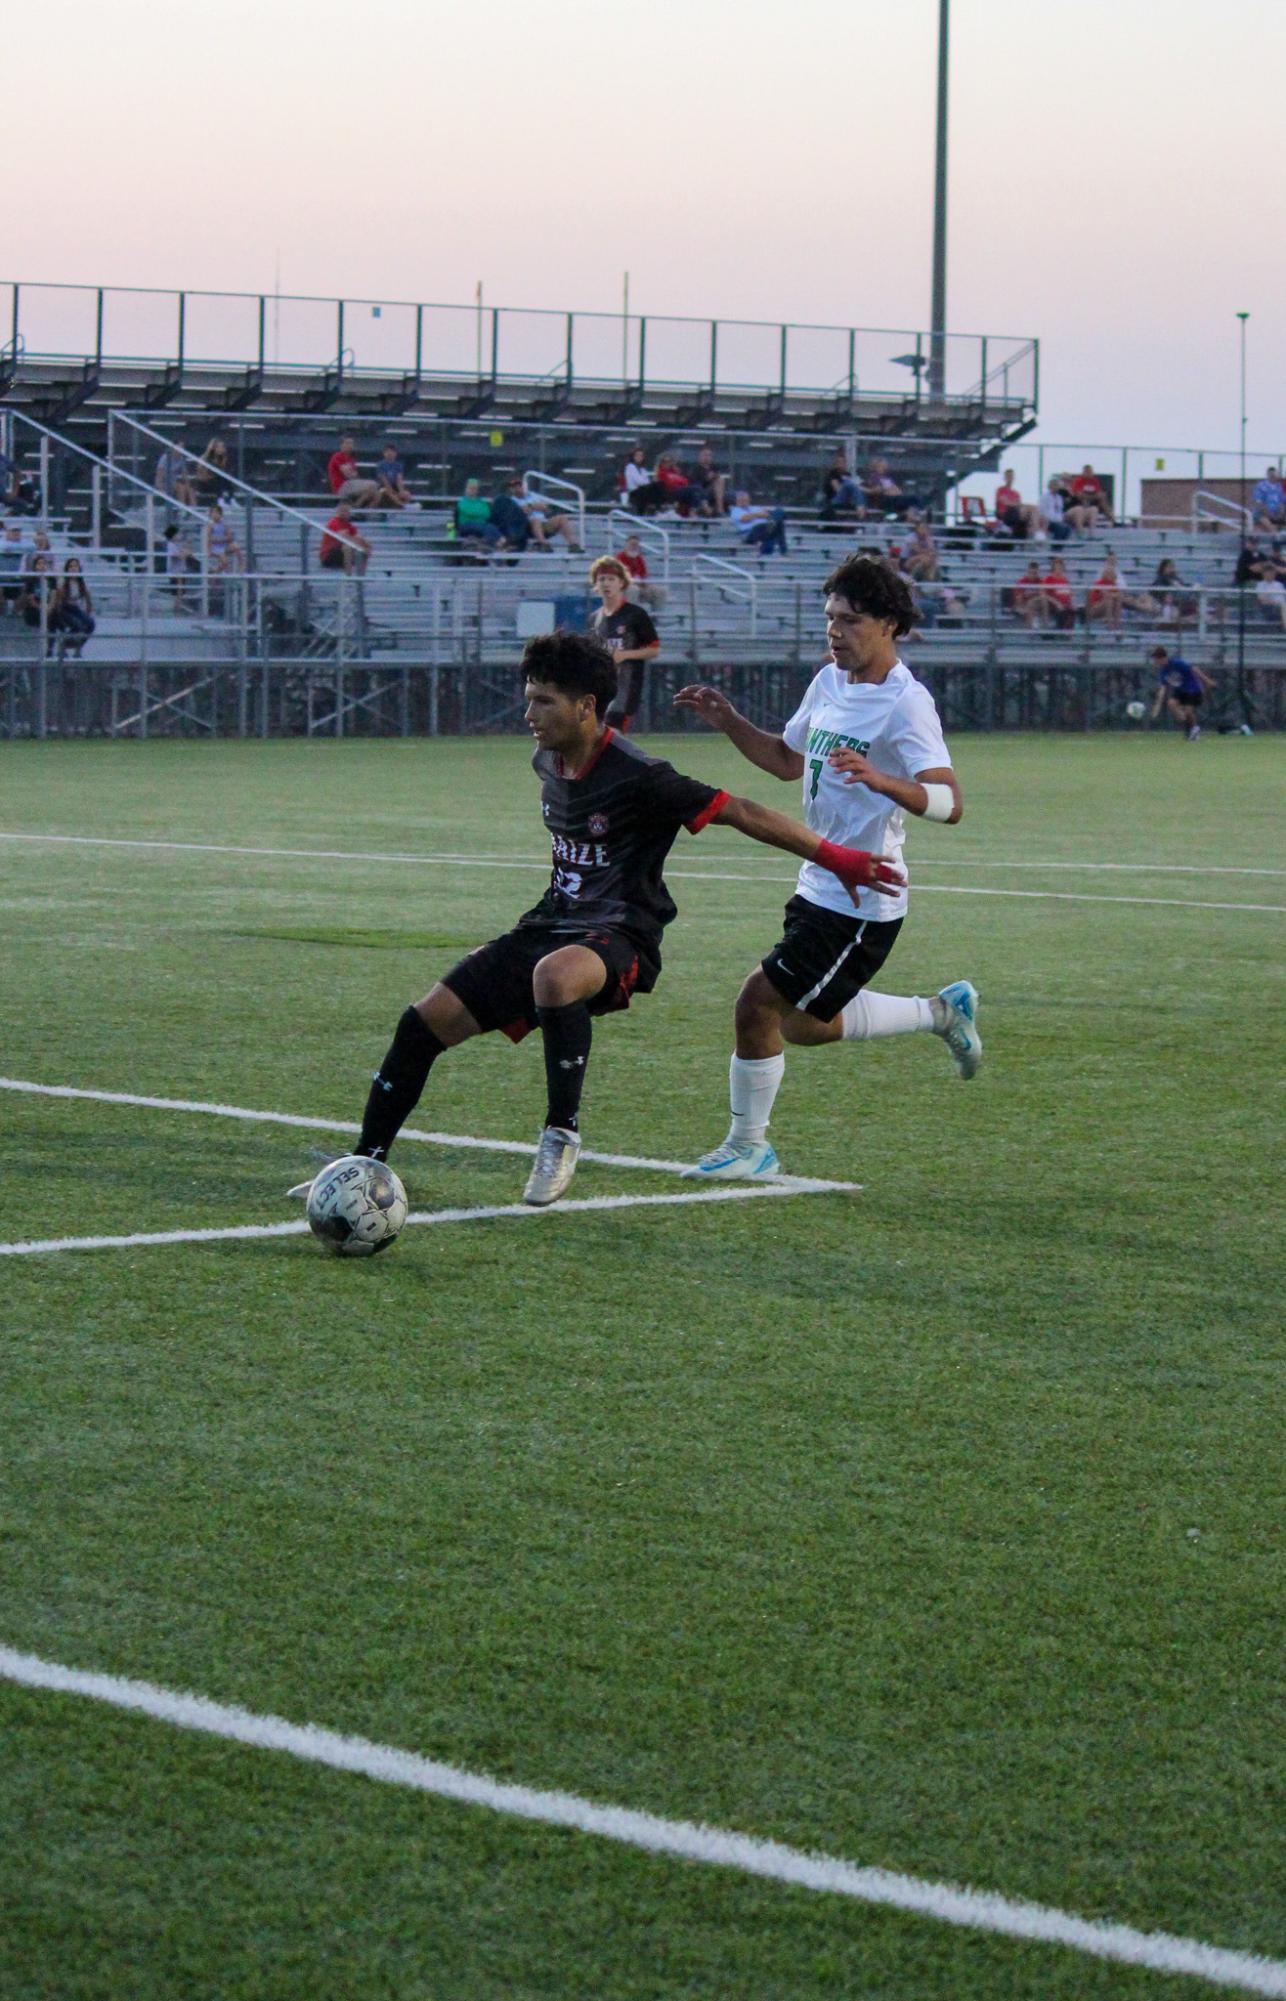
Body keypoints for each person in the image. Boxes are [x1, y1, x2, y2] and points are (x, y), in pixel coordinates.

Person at [289, 630, 903, 1210]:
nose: (529, 713)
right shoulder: (546, 761)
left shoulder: (641, 776)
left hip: (620, 937)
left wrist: (839, 858)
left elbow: (740, 810)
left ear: (586, 707)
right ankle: (363, 1164)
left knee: (556, 978)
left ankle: (561, 1135)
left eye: (543, 701)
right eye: (528, 698)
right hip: (550, 923)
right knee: (422, 1023)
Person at [673, 555, 979, 1180]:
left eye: (851, 620)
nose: (836, 632)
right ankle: (940, 1012)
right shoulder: (829, 681)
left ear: (890, 624)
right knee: (805, 1025)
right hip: (819, 878)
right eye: (830, 619)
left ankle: (749, 1145)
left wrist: (881, 779)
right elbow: (788, 761)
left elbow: (950, 803)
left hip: (865, 895)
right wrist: (730, 723)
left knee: (756, 1004)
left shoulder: (907, 704)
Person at [589, 555, 660, 731]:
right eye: (602, 579)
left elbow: (653, 649)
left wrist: (624, 655)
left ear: (621, 583)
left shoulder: (635, 615)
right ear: (596, 584)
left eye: (611, 579)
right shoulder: (594, 618)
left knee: (611, 735)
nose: (606, 583)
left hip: (626, 686)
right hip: (601, 686)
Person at [1150, 646, 1214, 739]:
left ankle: (1193, 729)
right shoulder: (1163, 671)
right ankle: (1191, 727)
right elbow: (1163, 688)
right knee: (1171, 704)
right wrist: (1158, 705)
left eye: (1155, 659)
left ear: (1162, 658)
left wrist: (1207, 681)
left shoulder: (1177, 663)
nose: (1155, 661)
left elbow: (1194, 669)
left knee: (1188, 711)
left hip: (1193, 688)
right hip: (1181, 690)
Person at [50, 558, 95, 655]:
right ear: (67, 569)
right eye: (71, 566)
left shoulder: (82, 582)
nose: (73, 569)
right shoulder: (63, 581)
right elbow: (59, 601)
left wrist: (87, 613)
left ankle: (77, 648)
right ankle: (63, 644)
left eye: (75, 566)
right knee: (77, 625)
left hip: (75, 609)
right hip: (63, 609)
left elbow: (88, 600)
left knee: (90, 624)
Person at [729, 490, 788, 558]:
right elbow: (745, 519)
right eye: (741, 500)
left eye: (745, 500)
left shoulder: (755, 508)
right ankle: (782, 550)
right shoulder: (735, 510)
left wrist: (756, 515)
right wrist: (758, 515)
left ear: (749, 500)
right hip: (749, 533)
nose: (744, 502)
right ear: (737, 501)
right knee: (768, 525)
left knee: (779, 511)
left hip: (765, 529)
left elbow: (767, 515)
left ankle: (783, 550)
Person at [615, 533, 666, 611]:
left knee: (660, 591)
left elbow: (644, 575)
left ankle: (657, 617)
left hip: (640, 586)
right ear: (626, 545)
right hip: (624, 587)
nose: (634, 547)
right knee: (633, 590)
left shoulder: (639, 558)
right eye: (632, 544)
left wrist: (645, 585)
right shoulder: (619, 558)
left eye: (636, 545)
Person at [326, 435, 379, 509]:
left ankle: (364, 511)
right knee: (373, 484)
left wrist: (351, 473)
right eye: (347, 443)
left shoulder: (351, 459)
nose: (350, 446)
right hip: (341, 486)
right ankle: (355, 509)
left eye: (351, 444)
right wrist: (351, 473)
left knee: (376, 492)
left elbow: (355, 476)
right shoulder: (337, 456)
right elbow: (347, 475)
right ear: (341, 445)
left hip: (351, 484)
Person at [319, 501, 372, 573]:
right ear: (337, 511)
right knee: (348, 547)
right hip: (328, 555)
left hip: (340, 552)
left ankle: (361, 577)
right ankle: (348, 576)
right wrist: (362, 545)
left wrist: (366, 544)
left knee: (364, 545)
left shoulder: (347, 524)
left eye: (346, 511)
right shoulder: (333, 522)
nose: (344, 513)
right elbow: (344, 538)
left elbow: (358, 536)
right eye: (342, 510)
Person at [454, 478, 503, 552]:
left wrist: (476, 513)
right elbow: (469, 512)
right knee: (486, 527)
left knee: (491, 526)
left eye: (474, 488)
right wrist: (478, 513)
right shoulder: (462, 502)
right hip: (465, 525)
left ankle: (499, 543)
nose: (472, 490)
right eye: (470, 488)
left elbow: (487, 514)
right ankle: (496, 543)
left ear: (477, 490)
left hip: (480, 526)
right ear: (466, 489)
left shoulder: (482, 502)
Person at [820, 449, 866, 520]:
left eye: (842, 462)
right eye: (838, 462)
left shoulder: (848, 474)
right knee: (849, 484)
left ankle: (860, 507)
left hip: (848, 499)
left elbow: (857, 488)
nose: (840, 464)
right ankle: (860, 507)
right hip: (835, 499)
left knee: (854, 486)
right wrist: (848, 486)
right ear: (835, 463)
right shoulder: (833, 474)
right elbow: (838, 489)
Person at [994, 468, 1039, 540]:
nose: (1010, 478)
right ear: (1005, 478)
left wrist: (1019, 505)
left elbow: (1018, 504)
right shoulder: (1000, 490)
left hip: (1016, 513)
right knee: (1027, 509)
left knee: (1034, 509)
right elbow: (1006, 502)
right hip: (1005, 514)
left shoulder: (1016, 493)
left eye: (1011, 476)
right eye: (1008, 476)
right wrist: (1017, 504)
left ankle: (1034, 531)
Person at [203, 503, 241, 577]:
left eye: (216, 513)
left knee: (236, 547)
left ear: (220, 514)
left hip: (223, 546)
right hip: (216, 548)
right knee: (225, 562)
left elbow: (230, 536)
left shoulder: (224, 524)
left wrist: (221, 539)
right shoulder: (211, 525)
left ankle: (241, 564)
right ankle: (215, 574)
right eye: (213, 513)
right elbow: (210, 539)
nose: (215, 515)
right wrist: (209, 549)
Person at [192, 436, 232, 504]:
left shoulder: (222, 459)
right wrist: (210, 477)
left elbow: (224, 471)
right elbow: (201, 476)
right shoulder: (205, 457)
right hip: (204, 483)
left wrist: (224, 458)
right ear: (213, 448)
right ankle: (222, 499)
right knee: (219, 479)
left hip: (216, 483)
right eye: (219, 447)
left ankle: (229, 499)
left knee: (225, 479)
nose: (221, 449)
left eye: (222, 447)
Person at [154, 442, 195, 509]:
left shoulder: (181, 459)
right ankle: (182, 508)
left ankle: (194, 509)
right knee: (181, 487)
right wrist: (160, 486)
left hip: (173, 482)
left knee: (190, 489)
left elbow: (185, 474)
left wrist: (188, 485)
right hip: (164, 482)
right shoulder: (165, 457)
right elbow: (159, 474)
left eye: (182, 448)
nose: (181, 450)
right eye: (179, 448)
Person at [1042, 555, 1076, 630]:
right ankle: (1059, 632)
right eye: (1057, 567)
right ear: (1053, 568)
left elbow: (1068, 594)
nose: (1059, 569)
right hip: (1052, 604)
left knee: (1074, 610)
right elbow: (1044, 594)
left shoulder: (1065, 580)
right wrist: (1056, 603)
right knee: (1061, 610)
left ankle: (1068, 634)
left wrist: (1070, 603)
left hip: (1065, 604)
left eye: (1060, 567)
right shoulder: (1048, 579)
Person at [375, 445, 414, 510]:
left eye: (392, 452)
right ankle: (403, 506)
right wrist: (393, 492)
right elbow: (383, 480)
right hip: (382, 487)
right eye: (387, 452)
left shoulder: (398, 465)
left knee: (406, 493)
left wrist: (401, 491)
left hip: (394, 486)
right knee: (387, 491)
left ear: (395, 453)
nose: (390, 453)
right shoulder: (380, 464)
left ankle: (406, 508)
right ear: (384, 453)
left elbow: (399, 479)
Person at [692, 445, 727, 516]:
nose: (707, 457)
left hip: (715, 490)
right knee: (719, 481)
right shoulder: (695, 469)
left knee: (720, 480)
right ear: (700, 456)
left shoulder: (714, 467)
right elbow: (694, 484)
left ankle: (720, 508)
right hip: (701, 490)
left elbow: (718, 478)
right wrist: (707, 479)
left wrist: (714, 477)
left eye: (709, 455)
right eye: (705, 455)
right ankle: (720, 509)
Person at [1251, 466, 1284, 531]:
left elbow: (1282, 502)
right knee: (1272, 529)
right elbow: (1259, 504)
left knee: (1281, 528)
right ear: (1268, 475)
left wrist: (1280, 513)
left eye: (1275, 475)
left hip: (1276, 514)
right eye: (1272, 475)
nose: (1274, 476)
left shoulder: (1278, 487)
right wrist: (1270, 514)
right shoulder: (1261, 486)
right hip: (1261, 514)